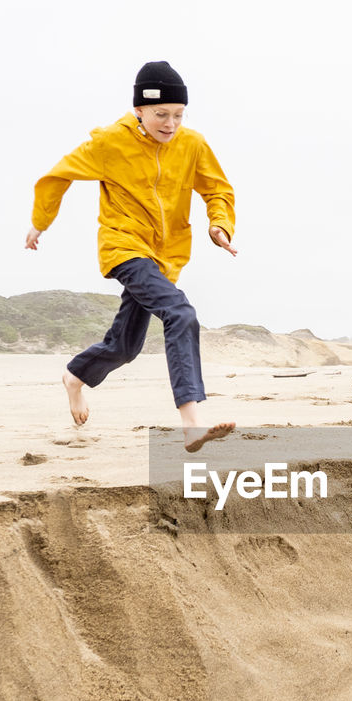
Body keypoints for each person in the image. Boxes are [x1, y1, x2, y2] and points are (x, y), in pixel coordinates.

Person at [25, 61, 236, 452]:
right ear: (139, 109)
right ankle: (192, 422)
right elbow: (59, 175)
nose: (170, 124)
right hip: (123, 246)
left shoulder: (192, 144)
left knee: (126, 346)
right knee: (180, 312)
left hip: (167, 256)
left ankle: (76, 376)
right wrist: (41, 222)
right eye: (161, 114)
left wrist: (218, 225)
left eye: (177, 114)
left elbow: (217, 189)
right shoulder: (109, 143)